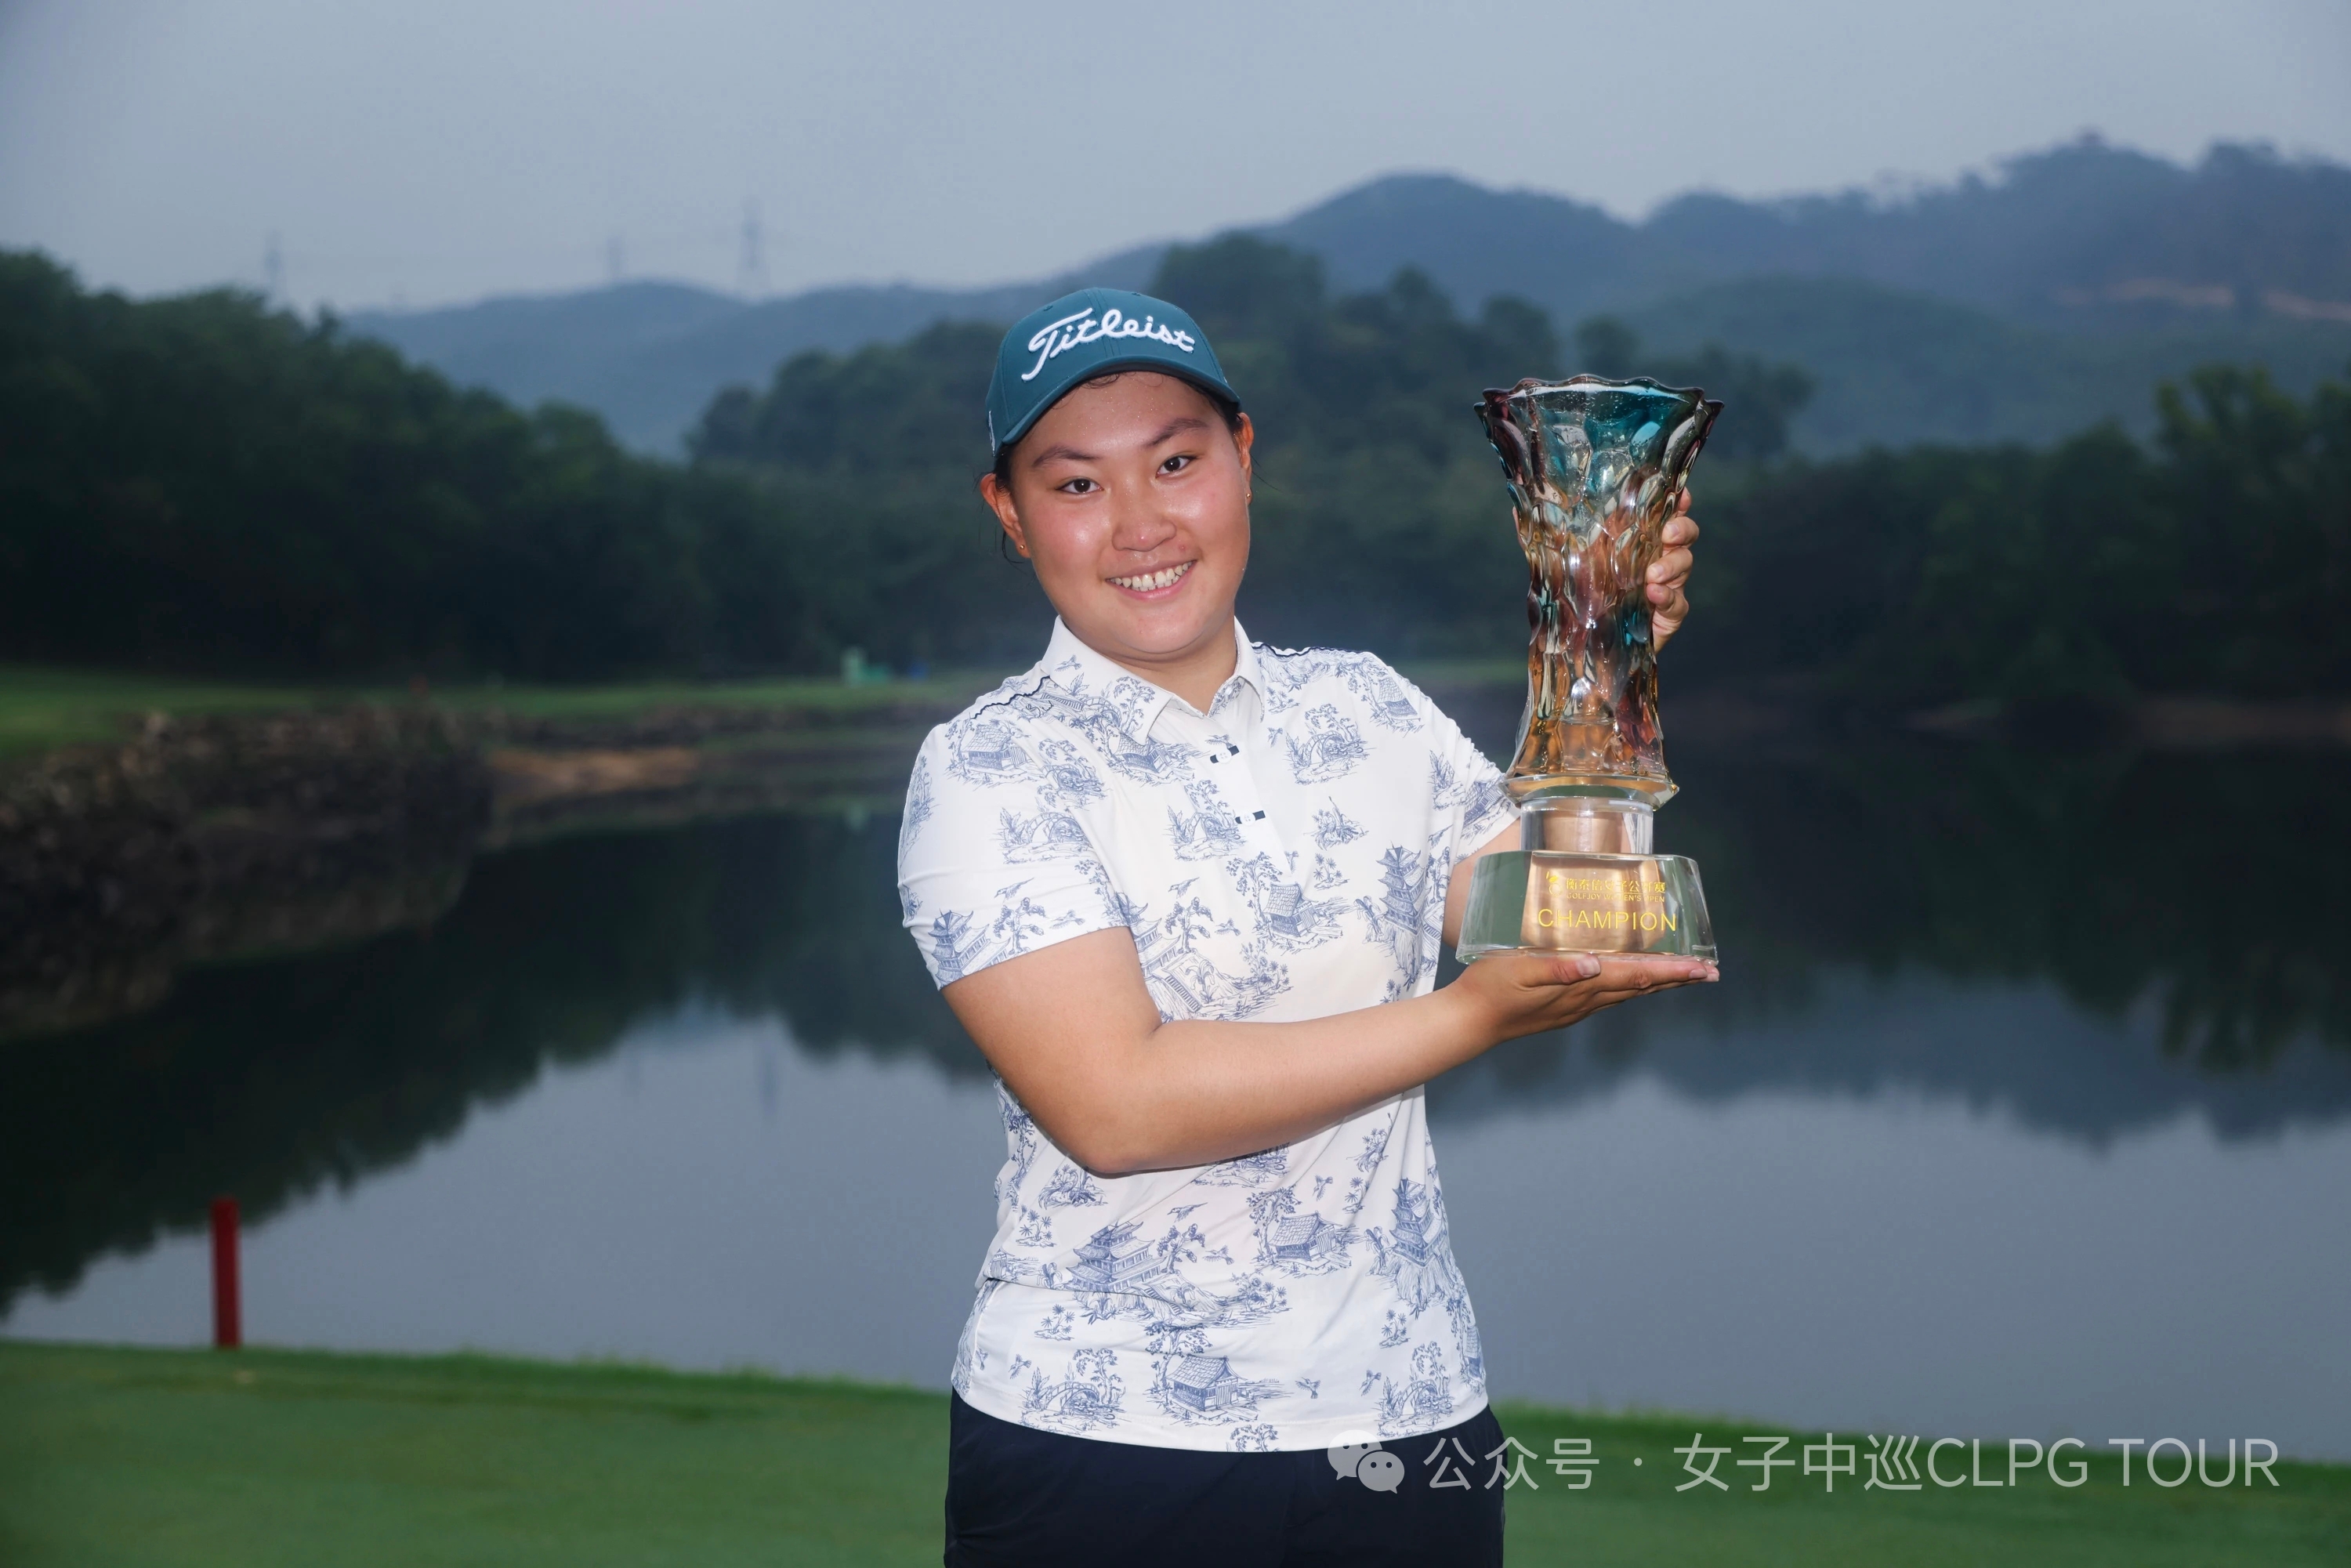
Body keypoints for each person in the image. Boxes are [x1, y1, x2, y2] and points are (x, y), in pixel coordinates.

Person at [897, 288, 1715, 1566]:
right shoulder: (989, 767)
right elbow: (1117, 1106)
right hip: (1104, 1443)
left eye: (1177, 462)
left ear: (1243, 459)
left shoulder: (1366, 707)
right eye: (1077, 485)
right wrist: (1466, 1018)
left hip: (1406, 1419)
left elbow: (1558, 921)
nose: (1140, 523)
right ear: (1009, 514)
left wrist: (1605, 651)